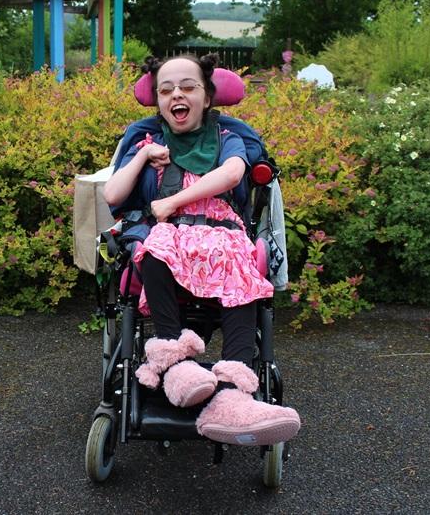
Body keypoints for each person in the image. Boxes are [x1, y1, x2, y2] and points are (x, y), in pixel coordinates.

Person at [103, 53, 300, 446]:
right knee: (156, 249)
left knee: (243, 267)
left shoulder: (227, 137)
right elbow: (112, 194)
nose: (177, 94)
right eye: (166, 89)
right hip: (168, 232)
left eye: (188, 86)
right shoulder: (145, 138)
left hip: (221, 230)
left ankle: (234, 397)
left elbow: (232, 173)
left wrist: (174, 201)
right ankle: (178, 364)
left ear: (207, 97)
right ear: (157, 100)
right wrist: (143, 155)